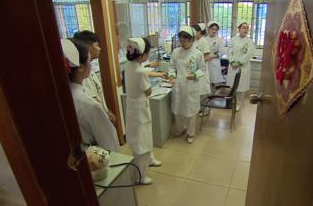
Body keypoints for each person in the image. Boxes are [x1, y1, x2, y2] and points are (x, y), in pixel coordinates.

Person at [61, 38, 120, 152]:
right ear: (81, 67)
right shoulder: (89, 105)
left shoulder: (61, 97)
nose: (91, 65)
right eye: (89, 60)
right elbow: (111, 147)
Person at [124, 37, 163, 185]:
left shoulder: (129, 65)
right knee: (142, 142)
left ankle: (150, 159)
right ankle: (140, 176)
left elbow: (141, 70)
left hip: (135, 107)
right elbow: (148, 92)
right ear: (143, 55)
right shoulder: (140, 72)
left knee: (145, 137)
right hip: (140, 109)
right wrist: (154, 78)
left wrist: (152, 70)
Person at [169, 26, 206, 143]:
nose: (182, 43)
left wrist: (195, 75)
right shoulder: (175, 52)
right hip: (178, 85)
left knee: (190, 112)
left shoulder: (198, 54)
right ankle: (181, 129)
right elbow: (171, 67)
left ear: (192, 40)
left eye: (185, 41)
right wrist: (172, 75)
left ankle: (190, 133)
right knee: (178, 110)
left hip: (191, 86)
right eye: (181, 41)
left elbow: (203, 70)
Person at [73, 31, 116, 124]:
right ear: (88, 46)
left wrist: (107, 111)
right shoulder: (82, 73)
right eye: (97, 45)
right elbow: (91, 98)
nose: (100, 49)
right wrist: (105, 114)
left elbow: (98, 93)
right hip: (95, 118)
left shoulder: (89, 68)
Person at [227, 22, 255, 111]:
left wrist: (239, 63)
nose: (246, 30)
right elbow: (229, 50)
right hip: (232, 66)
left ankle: (239, 103)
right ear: (239, 29)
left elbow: (249, 54)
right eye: (243, 28)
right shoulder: (233, 39)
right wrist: (231, 61)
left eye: (247, 28)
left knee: (241, 86)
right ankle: (232, 101)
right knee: (232, 85)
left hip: (243, 66)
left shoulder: (250, 41)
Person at [192, 23, 211, 116]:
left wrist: (199, 64)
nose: (193, 32)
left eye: (195, 31)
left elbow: (207, 56)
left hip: (201, 69)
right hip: (195, 70)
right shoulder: (193, 41)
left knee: (203, 91)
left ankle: (206, 110)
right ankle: (199, 109)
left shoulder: (203, 41)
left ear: (200, 32)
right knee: (197, 91)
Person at [205, 21, 226, 88]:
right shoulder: (204, 39)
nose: (214, 31)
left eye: (216, 30)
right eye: (212, 29)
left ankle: (214, 97)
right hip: (205, 63)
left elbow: (221, 52)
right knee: (206, 82)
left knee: (215, 82)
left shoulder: (219, 40)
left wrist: (212, 56)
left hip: (214, 63)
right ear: (208, 29)